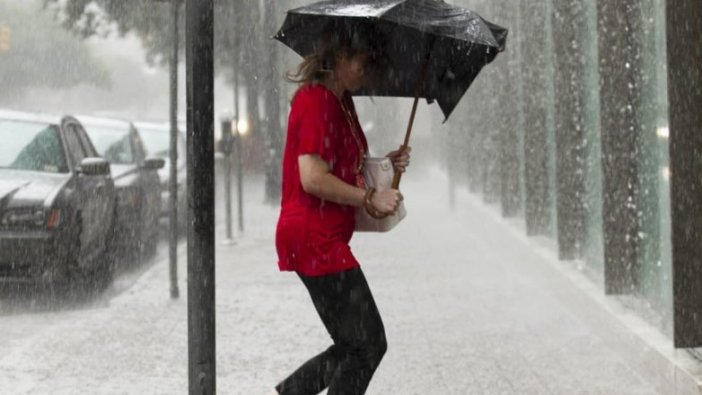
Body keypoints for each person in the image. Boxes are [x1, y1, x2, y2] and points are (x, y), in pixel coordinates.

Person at [272, 31, 411, 395]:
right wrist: (368, 198)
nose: (366, 72)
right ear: (339, 58)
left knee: (355, 344)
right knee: (369, 343)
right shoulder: (316, 101)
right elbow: (313, 178)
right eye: (362, 63)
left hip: (324, 237)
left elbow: (345, 165)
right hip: (313, 238)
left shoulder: (341, 101)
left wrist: (386, 164)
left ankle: (292, 392)